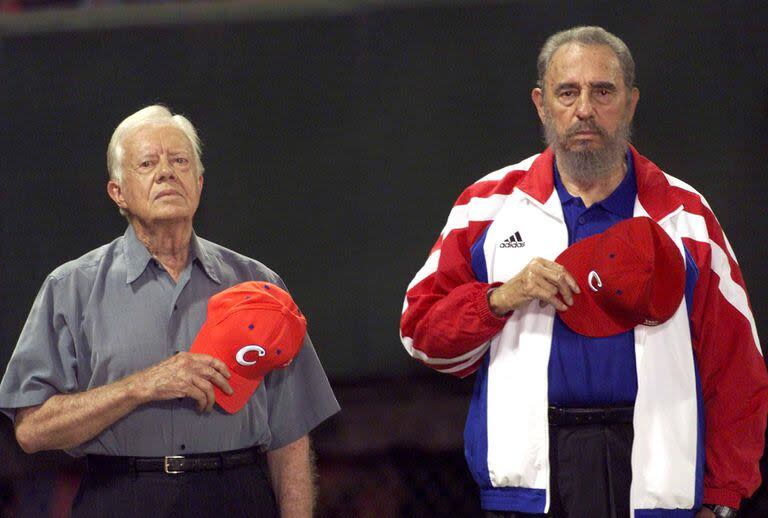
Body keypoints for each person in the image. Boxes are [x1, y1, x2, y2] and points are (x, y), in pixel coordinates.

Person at [399, 26, 768, 518]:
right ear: (541, 104)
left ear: (631, 102)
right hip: (525, 489)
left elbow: (736, 367)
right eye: (567, 92)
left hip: (656, 488)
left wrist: (723, 498)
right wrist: (498, 299)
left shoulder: (686, 218)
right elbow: (420, 334)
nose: (585, 109)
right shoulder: (486, 207)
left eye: (603, 91)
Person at [0, 105, 340, 518]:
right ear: (118, 193)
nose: (166, 172)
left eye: (179, 161)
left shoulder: (257, 284)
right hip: (122, 496)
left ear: (198, 183)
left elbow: (291, 433)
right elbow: (32, 429)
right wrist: (141, 386)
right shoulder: (71, 288)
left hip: (236, 496)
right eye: (147, 163)